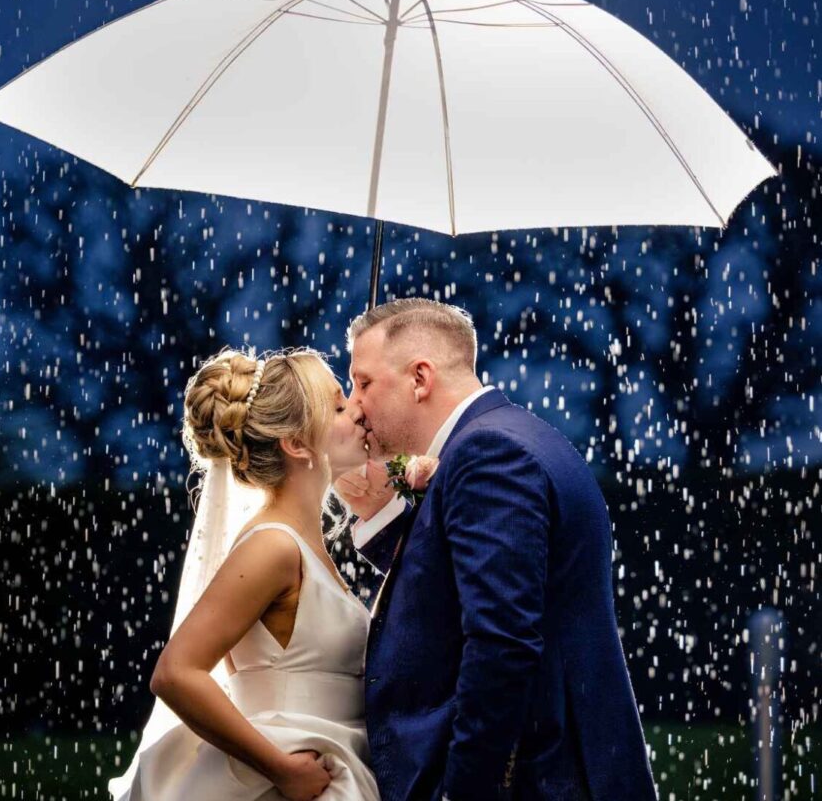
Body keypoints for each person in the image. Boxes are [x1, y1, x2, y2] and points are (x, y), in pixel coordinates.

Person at [334, 297, 657, 801]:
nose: (355, 406)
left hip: (538, 783)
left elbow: (501, 644)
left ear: (420, 378)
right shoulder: (508, 436)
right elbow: (447, 592)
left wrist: (462, 792)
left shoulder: (489, 455)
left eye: (364, 382)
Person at [109, 347, 379, 801]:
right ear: (296, 444)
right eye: (337, 406)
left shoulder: (305, 546)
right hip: (288, 780)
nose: (358, 410)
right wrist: (282, 770)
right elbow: (176, 673)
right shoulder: (272, 546)